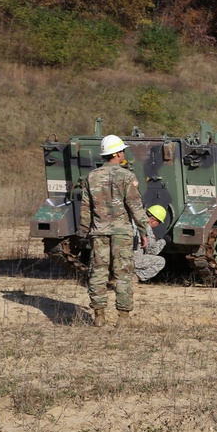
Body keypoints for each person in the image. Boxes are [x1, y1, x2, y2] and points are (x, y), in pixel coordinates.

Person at [79, 134, 150, 326]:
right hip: (122, 233)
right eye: (123, 151)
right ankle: (123, 318)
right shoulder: (127, 176)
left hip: (98, 232)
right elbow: (135, 206)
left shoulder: (92, 176)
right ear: (118, 153)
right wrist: (144, 231)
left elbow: (85, 207)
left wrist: (84, 231)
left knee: (98, 273)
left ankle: (99, 316)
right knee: (123, 273)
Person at [134, 205, 168, 282]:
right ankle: (135, 277)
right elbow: (152, 251)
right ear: (153, 221)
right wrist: (164, 241)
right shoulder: (146, 227)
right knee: (160, 261)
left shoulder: (133, 222)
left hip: (119, 258)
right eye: (158, 222)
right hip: (133, 260)